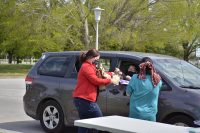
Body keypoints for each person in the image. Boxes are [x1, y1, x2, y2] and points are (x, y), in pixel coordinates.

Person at [73, 49, 119, 133]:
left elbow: (100, 74)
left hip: (83, 99)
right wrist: (110, 81)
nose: (98, 61)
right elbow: (95, 80)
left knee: (85, 124)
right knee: (98, 122)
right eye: (97, 59)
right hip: (85, 100)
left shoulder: (90, 66)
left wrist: (112, 74)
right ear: (91, 57)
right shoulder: (86, 67)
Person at [126, 57, 162, 121]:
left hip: (135, 113)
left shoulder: (135, 78)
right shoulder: (158, 80)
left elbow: (128, 93)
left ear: (141, 66)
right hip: (151, 115)